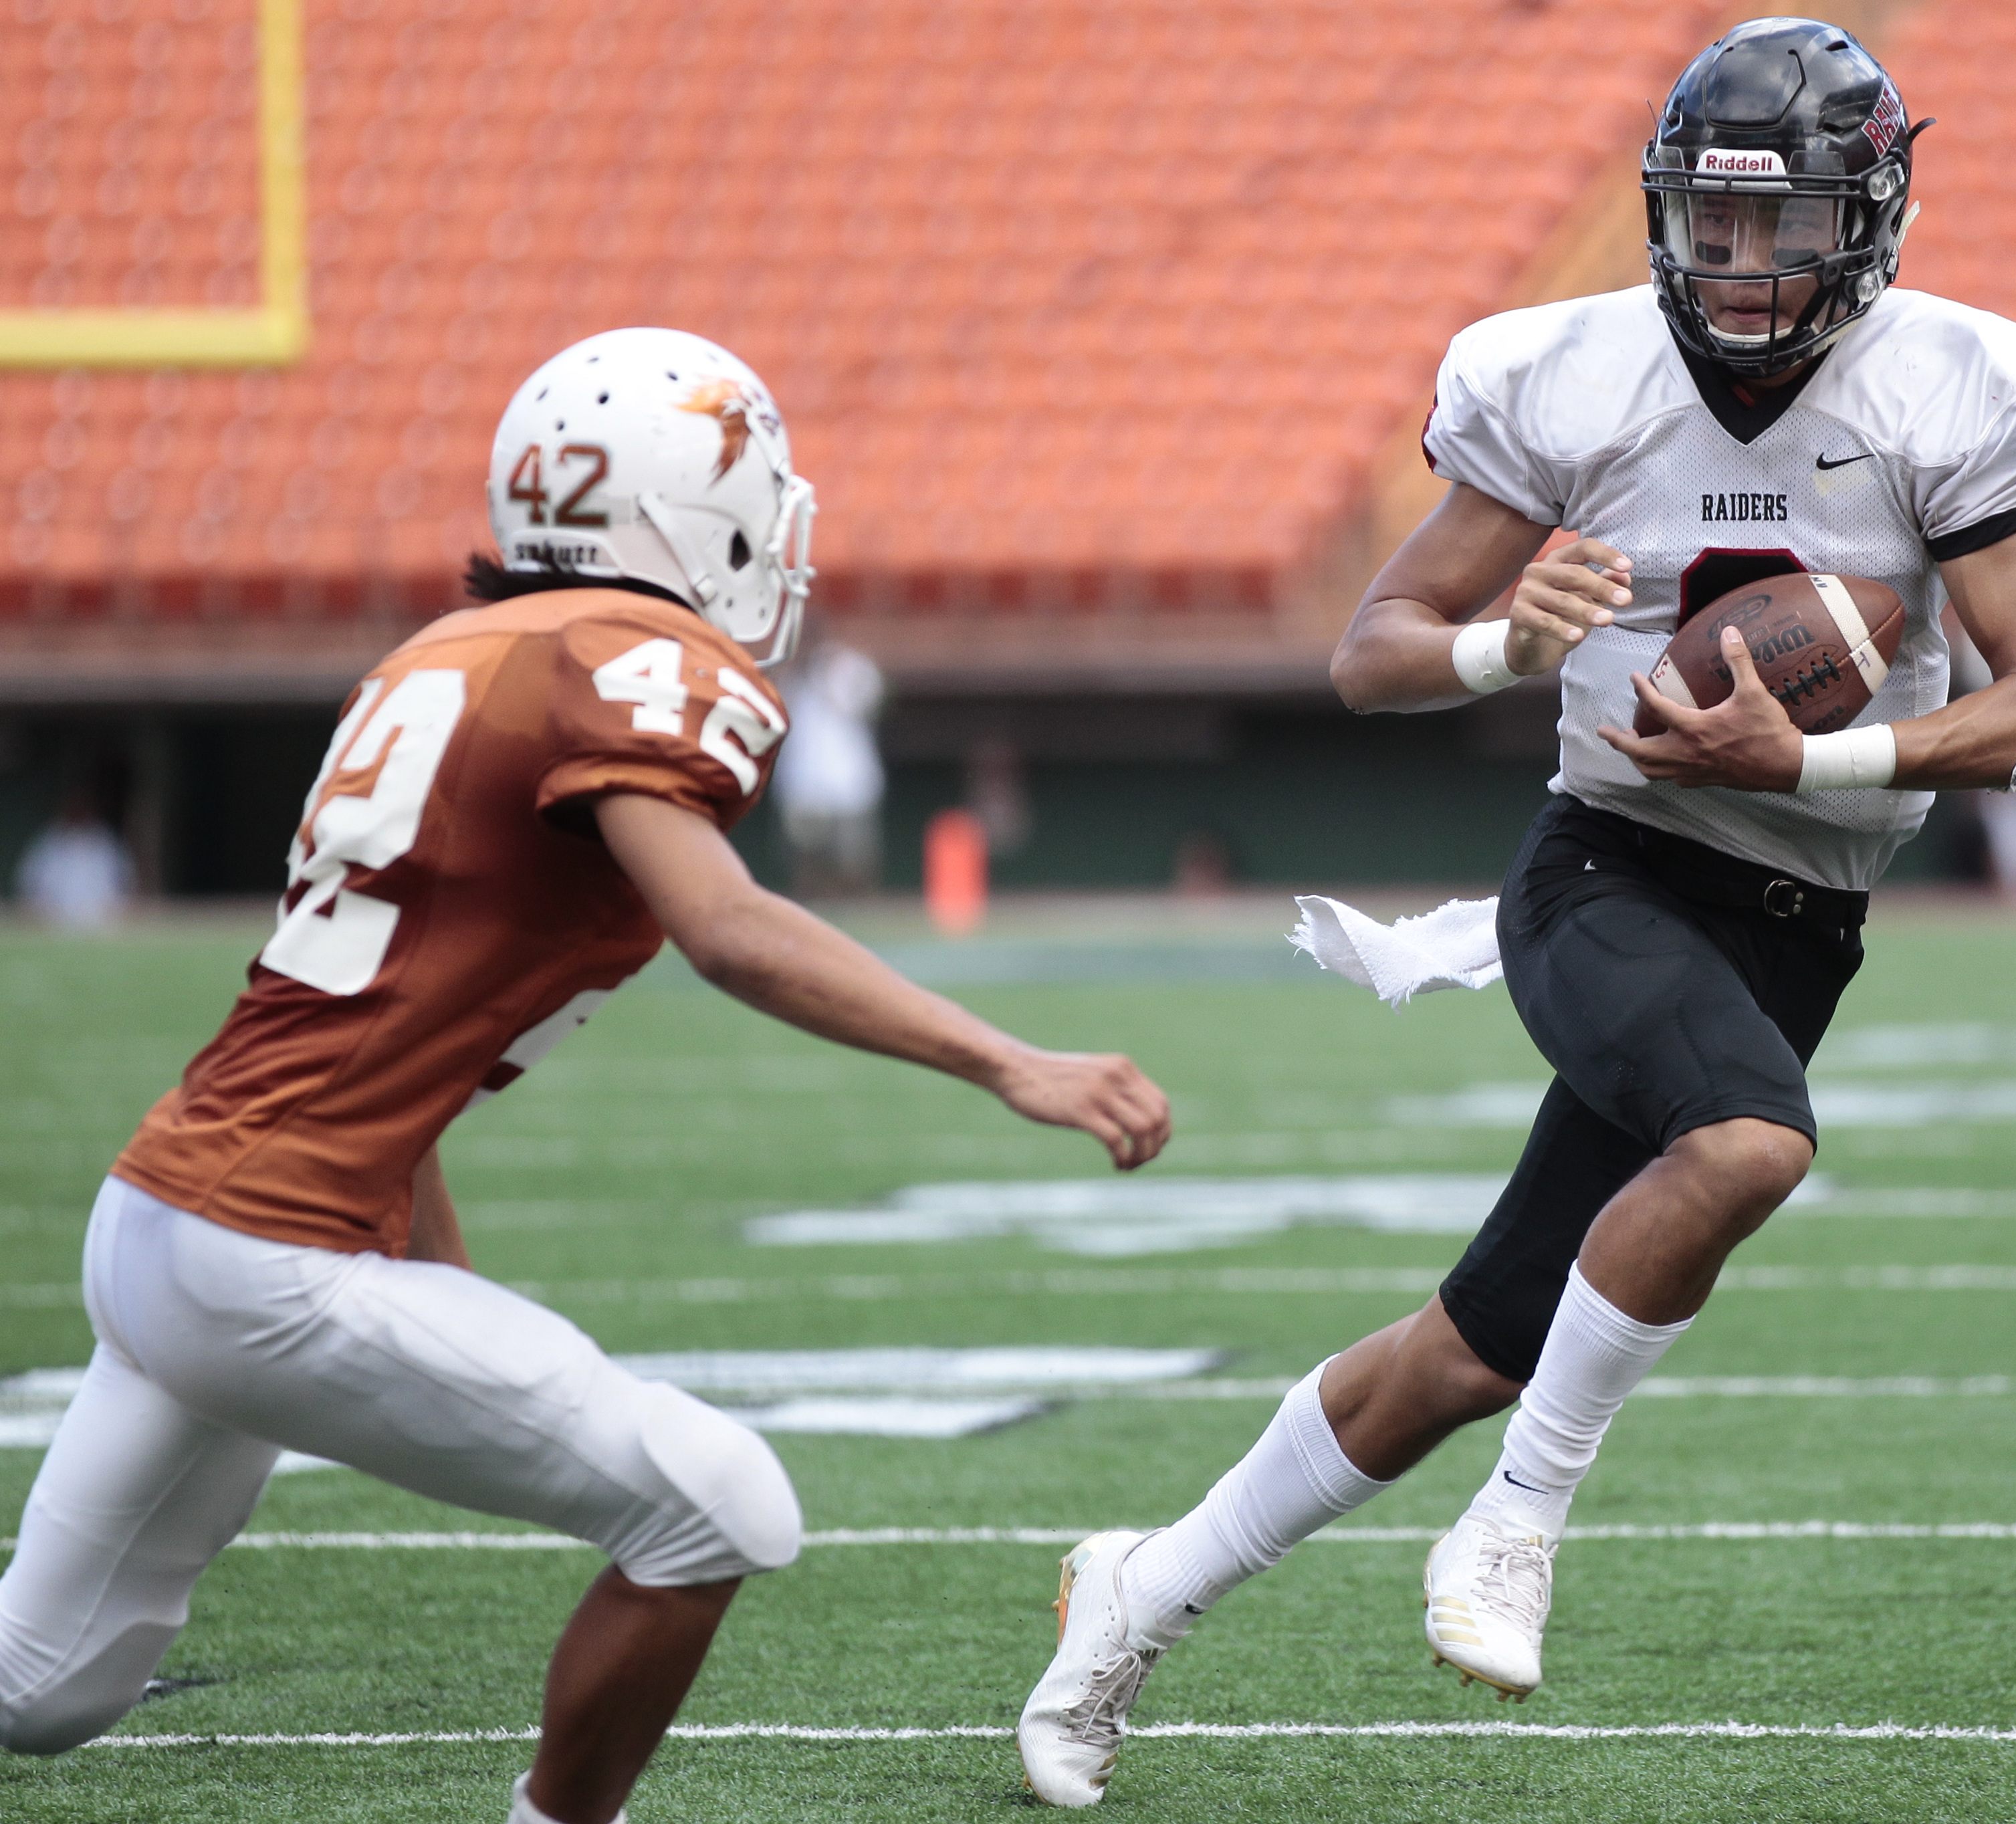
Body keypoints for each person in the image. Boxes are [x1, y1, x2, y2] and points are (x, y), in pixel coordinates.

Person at [1017, 18, 2016, 1806]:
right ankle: (1516, 1523)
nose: (1740, 267)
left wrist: (1808, 765)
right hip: (1601, 869)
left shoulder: (1946, 386)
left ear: (1871, 217)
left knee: (1461, 1348)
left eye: (1785, 224)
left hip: (1792, 909)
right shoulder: (1573, 376)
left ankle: (1134, 1591)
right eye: (1712, 224)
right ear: (1662, 214)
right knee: (1750, 1144)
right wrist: (1497, 643)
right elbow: (1369, 656)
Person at [0, 328, 1172, 1824]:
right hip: (261, 1261)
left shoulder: (444, 655)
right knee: (718, 1500)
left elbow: (385, 1021)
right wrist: (1012, 1063)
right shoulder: (629, 661)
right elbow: (728, 928)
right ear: (692, 512)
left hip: (162, 1221)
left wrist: (443, 1287)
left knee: (41, 1688)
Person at [775, 638, 888, 899]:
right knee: (806, 855)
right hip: (804, 782)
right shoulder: (791, 675)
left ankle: (858, 906)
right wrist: (797, 672)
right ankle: (814, 906)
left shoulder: (850, 667)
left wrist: (827, 675)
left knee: (853, 857)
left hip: (848, 779)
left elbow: (868, 702)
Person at [12, 784, 135, 928]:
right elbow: (28, 885)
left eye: (82, 807)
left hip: (101, 925)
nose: (78, 811)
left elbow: (125, 886)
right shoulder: (49, 841)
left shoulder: (105, 841)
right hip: (52, 924)